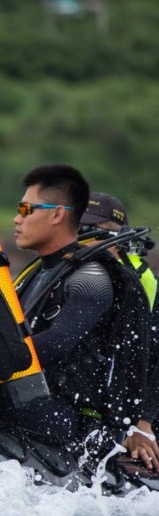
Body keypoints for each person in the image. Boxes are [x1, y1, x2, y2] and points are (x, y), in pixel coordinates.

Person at [13, 166, 151, 452]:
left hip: (72, 420)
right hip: (31, 395)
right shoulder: (38, 273)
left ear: (57, 215)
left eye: (26, 208)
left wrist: (143, 424)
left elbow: (58, 342)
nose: (17, 218)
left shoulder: (93, 277)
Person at [79, 192, 159, 470]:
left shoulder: (142, 283)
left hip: (136, 417)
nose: (78, 237)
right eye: (75, 228)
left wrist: (142, 423)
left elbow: (151, 360)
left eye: (88, 230)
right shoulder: (79, 272)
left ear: (118, 237)